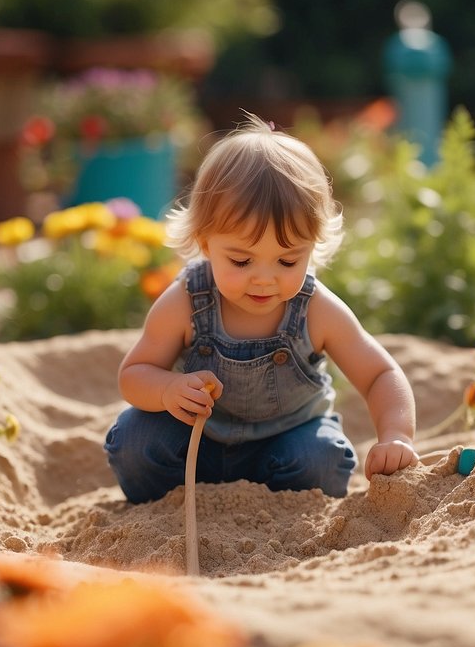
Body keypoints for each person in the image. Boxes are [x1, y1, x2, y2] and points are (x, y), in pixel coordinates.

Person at [105, 115, 420, 504]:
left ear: (312, 245)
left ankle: (278, 501)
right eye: (241, 261)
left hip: (285, 446)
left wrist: (396, 435)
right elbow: (133, 375)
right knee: (133, 441)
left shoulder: (316, 309)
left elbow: (379, 374)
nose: (264, 279)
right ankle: (167, 505)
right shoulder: (186, 301)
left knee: (321, 459)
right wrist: (167, 389)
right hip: (195, 444)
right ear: (205, 243)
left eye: (287, 261)